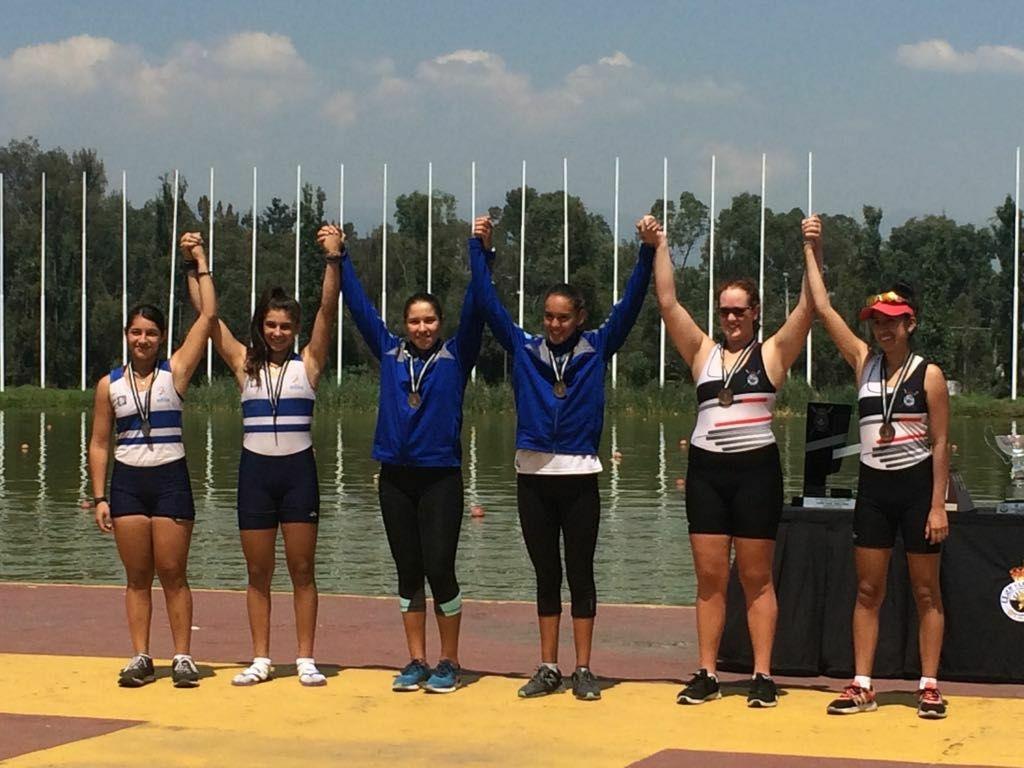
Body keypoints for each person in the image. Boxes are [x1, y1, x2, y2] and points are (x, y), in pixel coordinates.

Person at [470, 214, 658, 701]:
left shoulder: (597, 347)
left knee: (580, 571)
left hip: (579, 475)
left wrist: (645, 253)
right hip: (532, 475)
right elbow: (488, 305)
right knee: (545, 573)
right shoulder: (525, 347)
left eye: (564, 317)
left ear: (579, 318)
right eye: (549, 316)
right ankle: (548, 666)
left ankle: (584, 668)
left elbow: (632, 305)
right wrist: (479, 249)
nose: (554, 324)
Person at [654, 221, 814, 708]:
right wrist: (660, 244)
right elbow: (666, 302)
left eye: (738, 310)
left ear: (756, 312)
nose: (730, 318)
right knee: (709, 580)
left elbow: (809, 309)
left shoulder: (771, 354)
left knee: (756, 578)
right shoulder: (702, 352)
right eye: (724, 310)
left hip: (755, 473)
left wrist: (813, 247)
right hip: (707, 471)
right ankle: (706, 671)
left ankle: (763, 675)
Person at [802, 215, 950, 720]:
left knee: (926, 591)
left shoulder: (929, 375)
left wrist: (937, 506)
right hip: (873, 490)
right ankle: (862, 684)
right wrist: (812, 247)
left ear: (910, 323)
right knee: (868, 590)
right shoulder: (863, 360)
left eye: (893, 321)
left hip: (915, 491)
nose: (883, 328)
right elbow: (821, 308)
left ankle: (929, 685)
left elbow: (943, 441)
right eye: (877, 322)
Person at [337, 218, 490, 694]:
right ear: (405, 325)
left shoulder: (456, 355)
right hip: (395, 477)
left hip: (440, 476)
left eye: (429, 320)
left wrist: (480, 250)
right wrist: (339, 258)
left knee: (439, 567)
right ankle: (416, 660)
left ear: (440, 324)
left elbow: (477, 304)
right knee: (407, 570)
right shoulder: (389, 353)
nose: (422, 328)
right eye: (414, 321)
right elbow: (360, 308)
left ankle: (449, 660)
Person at [191, 226, 340, 687]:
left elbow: (327, 310)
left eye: (286, 326)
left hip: (298, 474)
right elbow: (208, 321)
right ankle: (260, 658)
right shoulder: (243, 363)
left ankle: (305, 658)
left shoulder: (308, 364)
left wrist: (334, 260)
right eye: (271, 325)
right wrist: (198, 263)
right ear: (262, 326)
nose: (278, 332)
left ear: (295, 331)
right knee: (258, 572)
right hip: (256, 474)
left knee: (302, 570)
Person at [89, 232, 216, 688]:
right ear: (127, 336)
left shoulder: (175, 371)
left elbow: (208, 315)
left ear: (161, 339)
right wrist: (100, 496)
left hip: (169, 481)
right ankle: (141, 656)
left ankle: (182, 656)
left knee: (173, 573)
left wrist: (197, 261)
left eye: (151, 333)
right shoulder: (110, 385)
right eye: (136, 332)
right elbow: (100, 443)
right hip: (127, 485)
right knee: (137, 576)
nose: (143, 339)